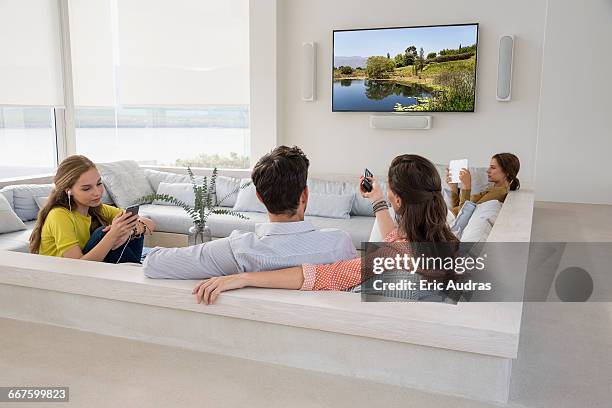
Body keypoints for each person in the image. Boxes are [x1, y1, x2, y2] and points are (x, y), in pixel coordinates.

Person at [192, 154, 460, 305]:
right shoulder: (440, 237)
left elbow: (321, 276)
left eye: (390, 188)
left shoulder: (392, 256)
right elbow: (396, 235)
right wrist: (378, 200)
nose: (388, 193)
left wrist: (244, 278)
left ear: (399, 200)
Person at [143, 145, 356, 279]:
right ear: (305, 195)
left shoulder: (239, 250)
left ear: (260, 198)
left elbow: (153, 264)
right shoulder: (340, 243)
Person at [29, 155, 155, 263]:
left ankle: (133, 270)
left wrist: (134, 229)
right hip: (65, 276)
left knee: (129, 224)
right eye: (86, 188)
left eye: (99, 184)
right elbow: (78, 265)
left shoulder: (96, 209)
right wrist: (112, 235)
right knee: (105, 232)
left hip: (91, 271)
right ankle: (135, 271)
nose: (97, 193)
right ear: (69, 190)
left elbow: (150, 223)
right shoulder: (59, 215)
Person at [446, 153, 520, 216]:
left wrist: (466, 186)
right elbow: (458, 210)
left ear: (507, 172)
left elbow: (463, 217)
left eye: (493, 168)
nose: (488, 171)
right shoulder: (493, 190)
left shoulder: (498, 194)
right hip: (446, 216)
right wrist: (454, 188)